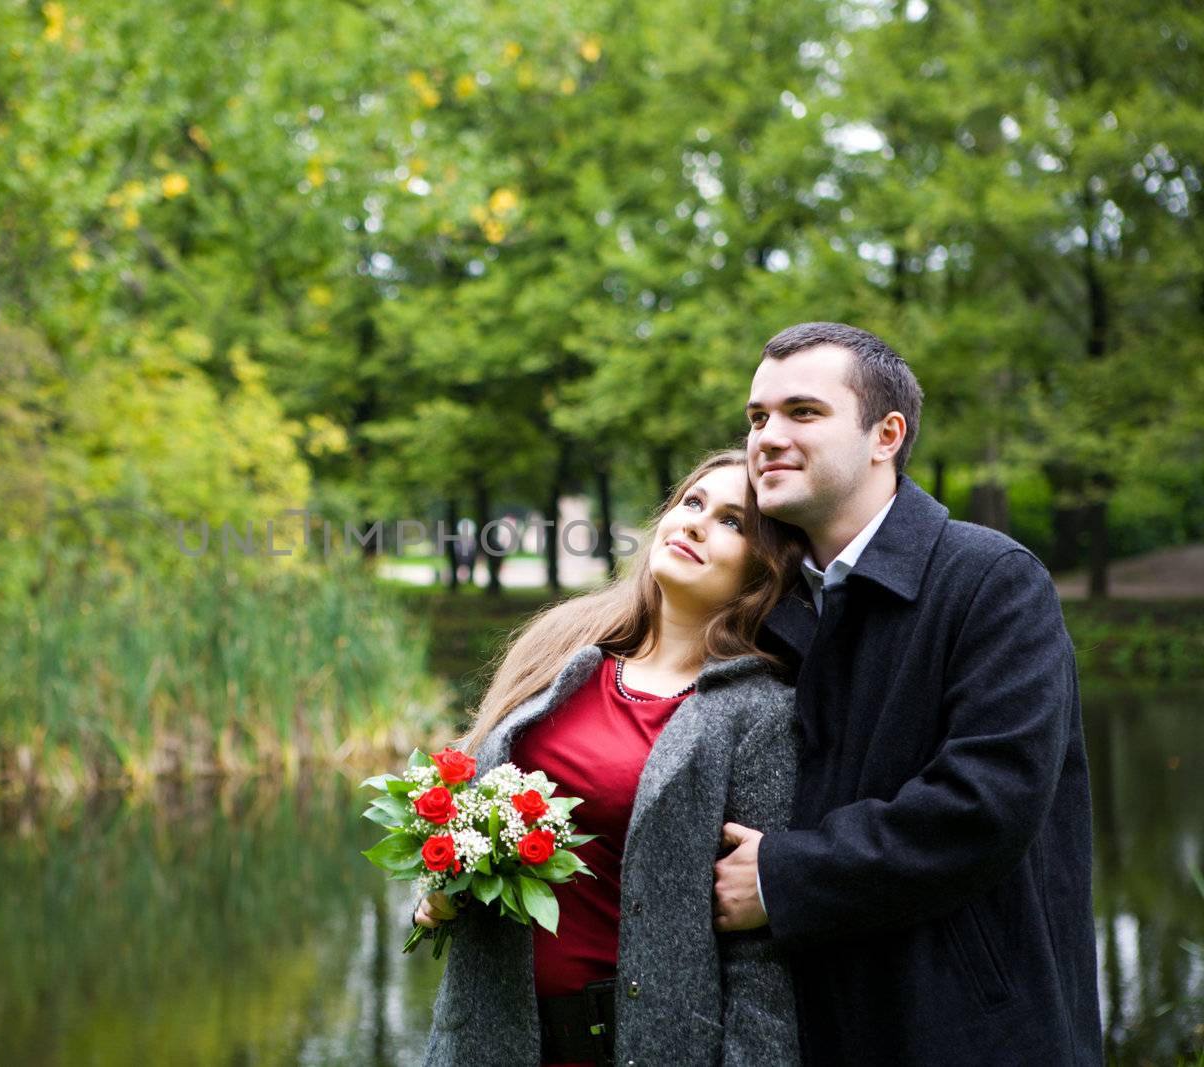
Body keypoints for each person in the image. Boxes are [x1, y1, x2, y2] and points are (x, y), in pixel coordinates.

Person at [713, 322, 1100, 1065]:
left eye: (803, 412)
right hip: (816, 1028)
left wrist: (783, 876)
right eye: (757, 417)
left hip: (977, 1033)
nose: (766, 436)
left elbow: (984, 803)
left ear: (885, 434)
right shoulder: (768, 604)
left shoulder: (992, 579)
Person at [413, 450, 807, 1067]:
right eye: (692, 503)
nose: (696, 524)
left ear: (767, 569)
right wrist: (439, 884)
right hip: (487, 1036)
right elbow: (469, 797)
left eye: (733, 522)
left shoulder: (762, 712)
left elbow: (760, 954)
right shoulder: (561, 644)